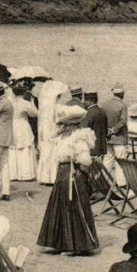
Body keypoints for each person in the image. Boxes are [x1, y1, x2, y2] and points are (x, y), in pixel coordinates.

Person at [37, 105, 99, 254]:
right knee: (60, 206)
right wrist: (60, 130)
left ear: (72, 124)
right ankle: (60, 243)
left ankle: (76, 246)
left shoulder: (78, 138)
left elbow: (86, 160)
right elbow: (50, 137)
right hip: (62, 173)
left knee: (72, 208)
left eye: (65, 124)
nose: (62, 126)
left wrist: (75, 157)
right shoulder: (65, 136)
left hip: (72, 174)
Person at [36, 80, 70, 185]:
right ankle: (54, 177)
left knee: (46, 154)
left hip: (47, 134)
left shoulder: (44, 109)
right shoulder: (57, 108)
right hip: (55, 132)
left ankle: (45, 177)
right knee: (55, 154)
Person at [8, 82, 39, 181]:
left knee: (12, 149)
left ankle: (13, 174)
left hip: (11, 125)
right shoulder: (25, 103)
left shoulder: (9, 101)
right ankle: (25, 174)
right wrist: (32, 101)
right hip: (22, 125)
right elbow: (35, 114)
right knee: (24, 149)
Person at [101, 83, 128, 187]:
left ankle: (104, 181)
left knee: (107, 159)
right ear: (121, 93)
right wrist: (113, 130)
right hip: (119, 138)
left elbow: (102, 120)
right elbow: (122, 122)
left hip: (107, 137)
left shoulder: (105, 104)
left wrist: (107, 131)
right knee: (120, 160)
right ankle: (121, 183)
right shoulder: (122, 105)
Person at [80, 91, 107, 158]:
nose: (84, 102)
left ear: (90, 100)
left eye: (85, 100)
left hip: (91, 148)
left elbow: (83, 129)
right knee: (98, 168)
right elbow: (105, 130)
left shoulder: (89, 113)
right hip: (102, 148)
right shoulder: (102, 111)